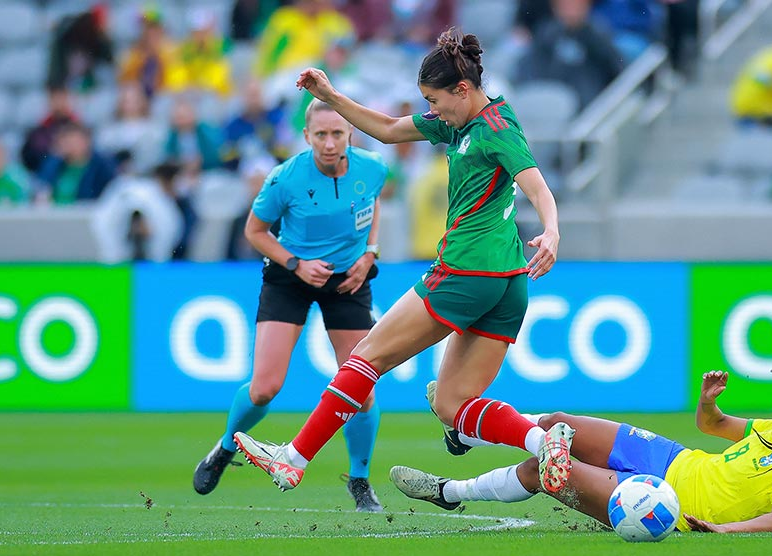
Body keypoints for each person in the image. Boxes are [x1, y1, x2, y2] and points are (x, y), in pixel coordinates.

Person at [232, 28, 571, 497]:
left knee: (365, 357)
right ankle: (542, 441)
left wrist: (552, 230)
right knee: (453, 404)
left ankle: (291, 459)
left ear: (463, 89)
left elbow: (535, 183)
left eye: (436, 99)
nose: (432, 110)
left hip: (468, 271)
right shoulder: (459, 122)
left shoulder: (496, 129)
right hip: (509, 283)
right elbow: (390, 130)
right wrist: (329, 95)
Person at [194, 99, 389, 512]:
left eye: (338, 133)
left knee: (362, 390)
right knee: (265, 387)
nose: (330, 143)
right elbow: (255, 230)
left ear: (350, 132)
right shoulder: (285, 179)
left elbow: (372, 207)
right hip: (291, 276)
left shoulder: (373, 167)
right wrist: (296, 265)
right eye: (321, 134)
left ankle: (359, 480)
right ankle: (226, 447)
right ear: (306, 136)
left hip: (347, 279)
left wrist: (369, 253)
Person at [392, 372, 772, 534]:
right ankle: (464, 431)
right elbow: (711, 427)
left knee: (546, 469)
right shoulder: (768, 429)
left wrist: (722, 530)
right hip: (671, 457)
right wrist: (708, 402)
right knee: (558, 423)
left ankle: (448, 491)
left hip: (658, 498)